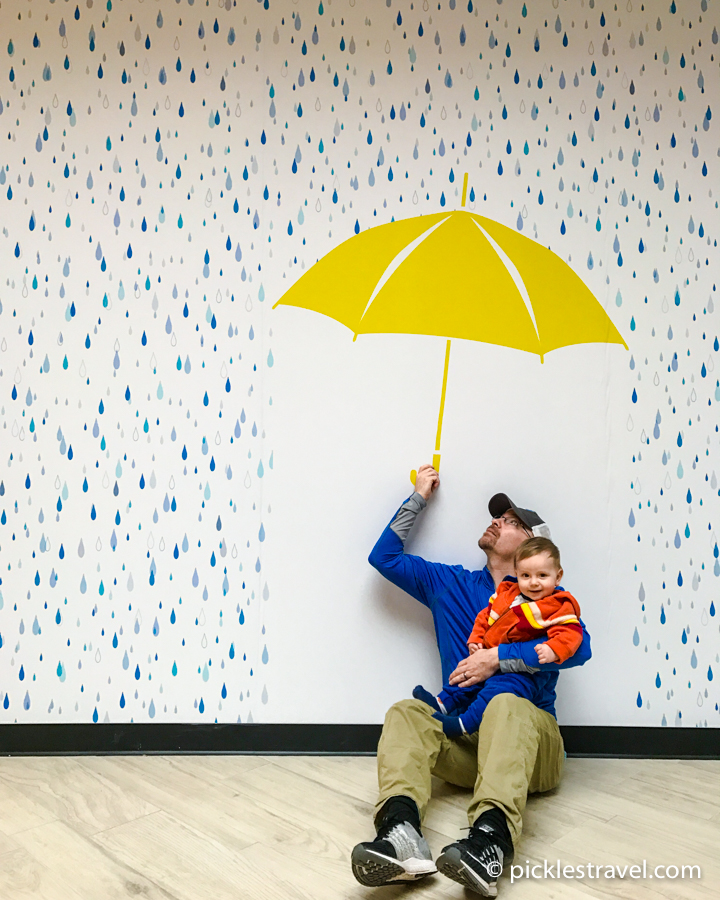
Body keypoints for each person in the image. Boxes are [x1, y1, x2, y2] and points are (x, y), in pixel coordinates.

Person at [350, 465, 592, 897]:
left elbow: (580, 649)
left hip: (533, 749)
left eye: (513, 521)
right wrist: (418, 498)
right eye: (499, 516)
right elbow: (383, 558)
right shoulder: (450, 583)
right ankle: (401, 834)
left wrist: (498, 659)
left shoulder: (546, 599)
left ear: (535, 547)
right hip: (468, 747)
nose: (498, 521)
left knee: (506, 704)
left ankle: (490, 842)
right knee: (407, 712)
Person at [413, 536, 583, 737]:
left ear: (558, 576)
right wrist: (476, 639)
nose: (534, 582)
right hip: (488, 654)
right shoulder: (507, 594)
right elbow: (484, 617)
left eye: (542, 575)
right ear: (517, 574)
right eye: (526, 575)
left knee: (496, 691)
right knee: (467, 675)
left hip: (526, 674)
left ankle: (463, 724)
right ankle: (443, 703)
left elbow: (572, 633)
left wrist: (553, 648)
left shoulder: (558, 605)